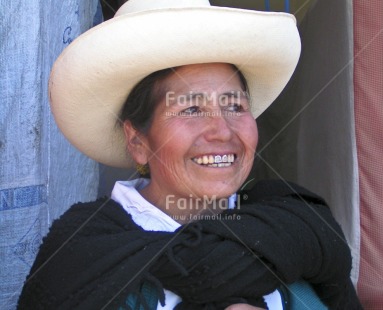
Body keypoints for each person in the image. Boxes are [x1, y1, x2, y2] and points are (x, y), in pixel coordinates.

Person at [18, 0, 363, 309]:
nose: (222, 130)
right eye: (191, 108)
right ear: (138, 140)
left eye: (235, 105)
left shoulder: (297, 233)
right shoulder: (81, 258)